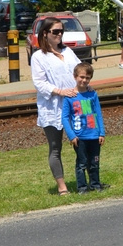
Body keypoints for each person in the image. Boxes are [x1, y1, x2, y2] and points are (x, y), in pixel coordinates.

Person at [30, 16, 82, 195]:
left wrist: (84, 84)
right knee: (55, 147)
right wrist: (60, 91)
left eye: (61, 31)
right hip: (52, 107)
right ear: (45, 34)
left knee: (81, 142)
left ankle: (84, 181)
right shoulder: (39, 57)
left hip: (74, 103)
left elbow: (79, 70)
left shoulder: (68, 51)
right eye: (55, 32)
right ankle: (62, 187)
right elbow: (39, 83)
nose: (59, 35)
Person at [62, 62, 107, 194]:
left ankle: (95, 185)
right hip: (79, 137)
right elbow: (65, 118)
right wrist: (71, 135)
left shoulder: (93, 94)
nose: (84, 80)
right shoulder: (70, 97)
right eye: (82, 77)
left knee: (94, 162)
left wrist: (102, 133)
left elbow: (98, 114)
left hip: (94, 135)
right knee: (81, 163)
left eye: (87, 78)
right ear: (75, 76)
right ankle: (82, 188)